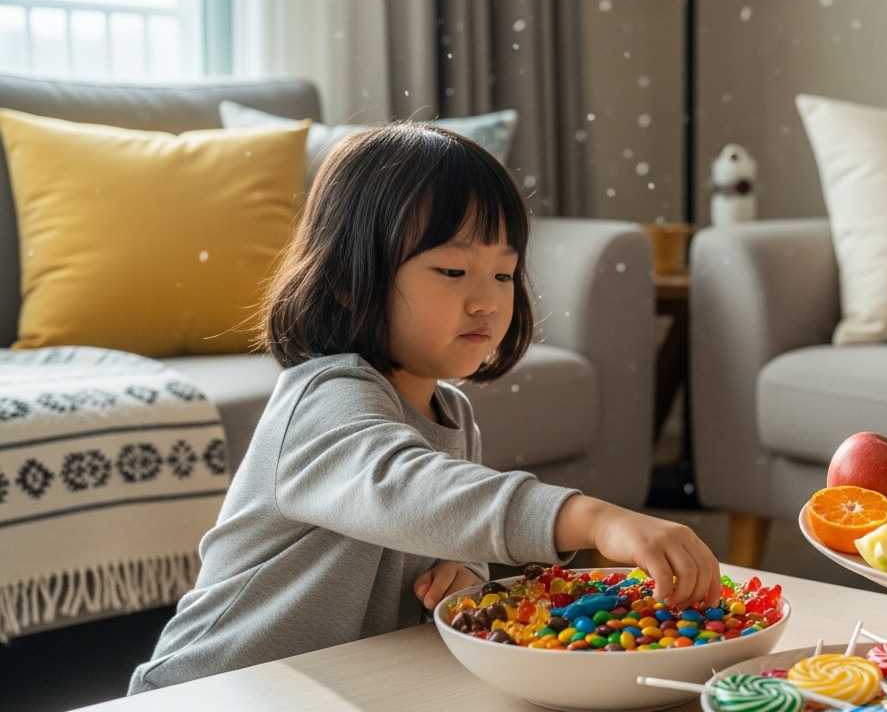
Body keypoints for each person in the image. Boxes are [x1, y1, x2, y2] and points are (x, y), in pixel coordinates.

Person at [129, 124, 720, 693]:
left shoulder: (452, 414)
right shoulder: (323, 399)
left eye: (504, 273)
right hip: (212, 690)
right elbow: (406, 488)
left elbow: (443, 523)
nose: (487, 299)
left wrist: (467, 572)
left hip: (340, 688)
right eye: (453, 270)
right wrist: (595, 520)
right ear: (349, 280)